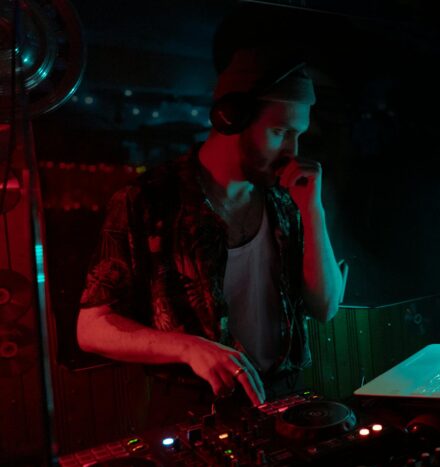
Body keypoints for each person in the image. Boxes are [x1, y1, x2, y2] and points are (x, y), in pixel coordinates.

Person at [76, 47, 344, 422]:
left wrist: (313, 212)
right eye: (280, 132)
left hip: (283, 400)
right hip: (192, 409)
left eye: (296, 135)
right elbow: (91, 328)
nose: (292, 151)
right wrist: (187, 347)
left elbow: (325, 307)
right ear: (231, 119)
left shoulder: (286, 200)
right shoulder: (147, 199)